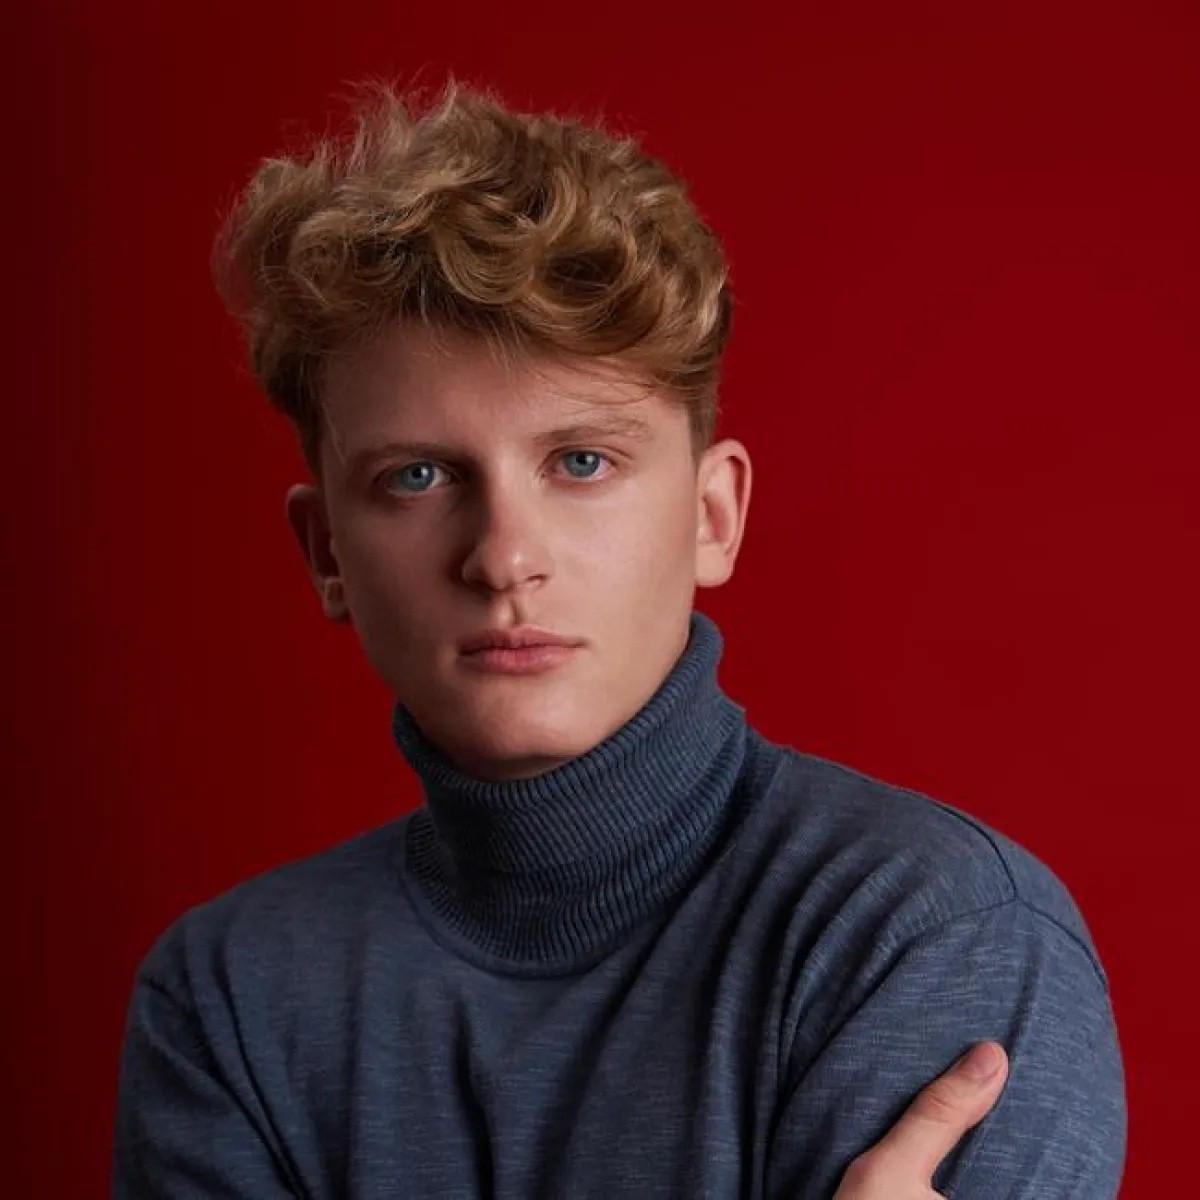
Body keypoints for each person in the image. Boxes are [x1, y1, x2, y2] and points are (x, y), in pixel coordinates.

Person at [112, 82, 1126, 1197]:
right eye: (420, 476)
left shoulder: (928, 935)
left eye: (581, 462)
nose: (504, 558)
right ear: (327, 555)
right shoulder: (230, 1001)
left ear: (712, 516)